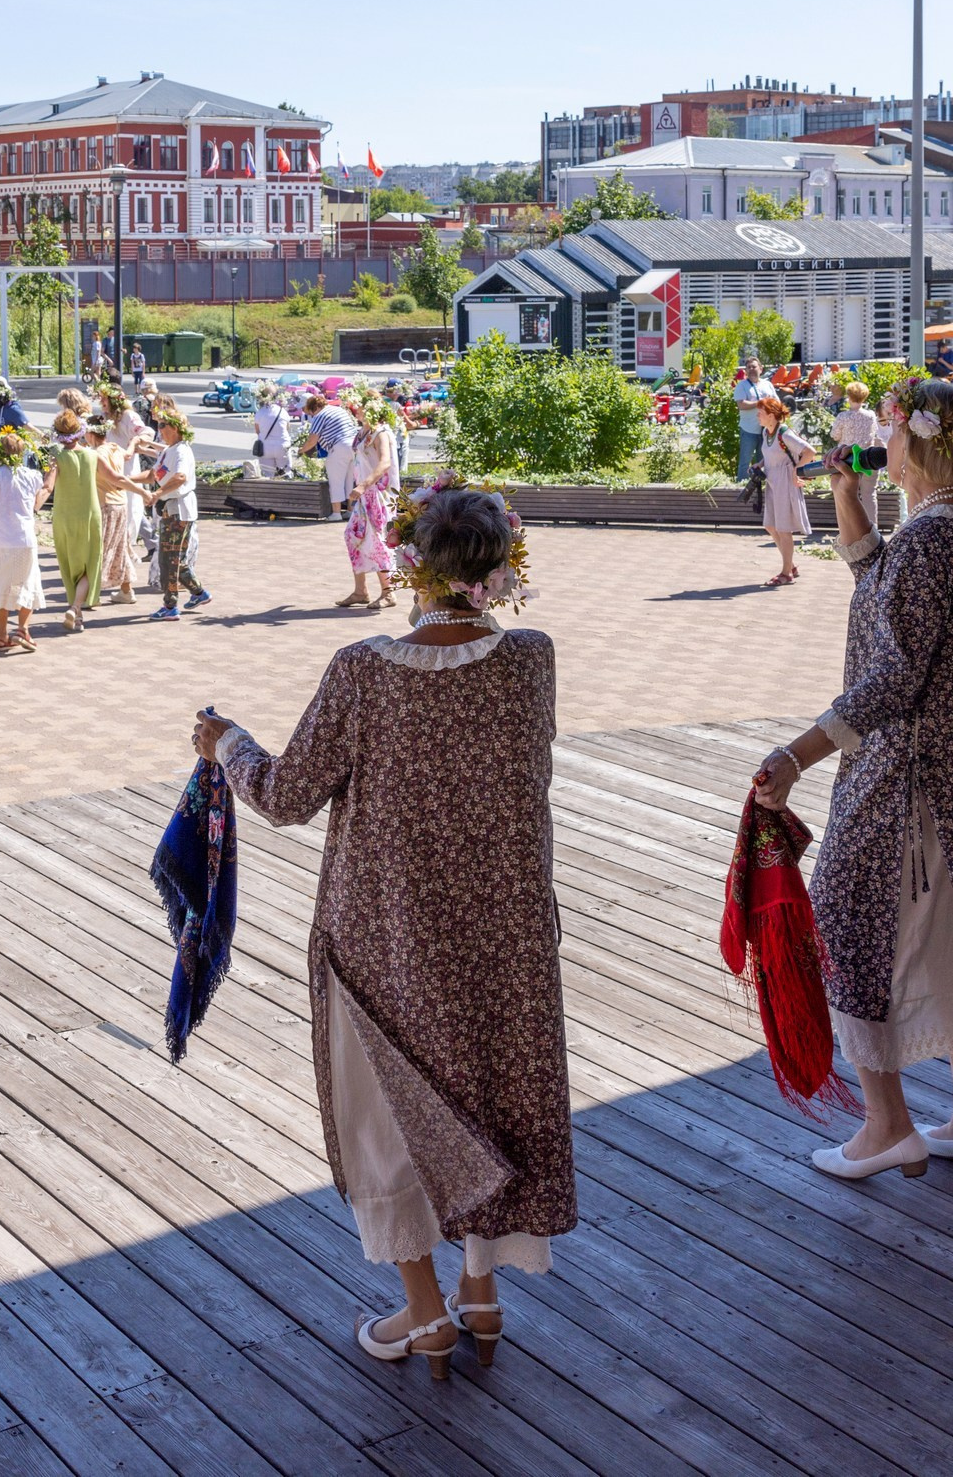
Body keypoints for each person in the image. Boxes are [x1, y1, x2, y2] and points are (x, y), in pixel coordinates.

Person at [193, 482, 570, 1380]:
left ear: (408, 562)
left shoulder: (363, 671)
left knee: (389, 1119)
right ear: (502, 565)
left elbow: (286, 796)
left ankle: (426, 1309)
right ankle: (482, 1292)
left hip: (388, 934)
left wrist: (224, 742)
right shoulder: (532, 661)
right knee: (492, 1094)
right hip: (506, 931)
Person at [752, 377, 953, 1183]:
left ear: (914, 444)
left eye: (888, 433)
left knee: (852, 924)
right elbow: (883, 588)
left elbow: (893, 675)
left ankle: (886, 1126)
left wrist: (797, 755)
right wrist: (851, 497)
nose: (878, 445)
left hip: (914, 776)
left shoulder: (932, 541)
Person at [0, 430, 46, 652]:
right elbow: (37, 502)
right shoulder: (33, 476)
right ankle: (23, 628)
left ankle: (1, 636)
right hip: (22, 538)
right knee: (28, 582)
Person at [149, 410, 211, 620]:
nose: (160, 430)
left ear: (175, 428)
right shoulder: (169, 450)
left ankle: (170, 606)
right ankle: (199, 593)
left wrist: (158, 493)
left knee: (169, 559)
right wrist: (126, 480)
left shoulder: (182, 451)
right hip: (172, 509)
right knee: (174, 557)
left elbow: (180, 477)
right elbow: (152, 474)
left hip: (178, 510)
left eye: (163, 425)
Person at [340, 394, 400, 609]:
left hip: (378, 495)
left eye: (361, 407)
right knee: (351, 536)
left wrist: (364, 485)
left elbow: (385, 463)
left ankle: (388, 592)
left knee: (377, 541)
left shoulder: (381, 433)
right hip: (365, 495)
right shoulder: (363, 432)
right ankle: (360, 591)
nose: (356, 409)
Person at [48, 410, 106, 631]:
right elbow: (116, 478)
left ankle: (76, 611)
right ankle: (76, 608)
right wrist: (144, 491)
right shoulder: (92, 455)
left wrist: (33, 505)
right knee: (91, 565)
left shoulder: (56, 455)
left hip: (64, 516)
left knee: (68, 564)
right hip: (90, 515)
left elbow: (47, 486)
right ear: (80, 431)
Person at [754, 393, 816, 588]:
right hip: (772, 481)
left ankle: (785, 573)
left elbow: (809, 452)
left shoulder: (784, 433)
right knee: (771, 526)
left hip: (785, 482)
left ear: (771, 415)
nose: (758, 416)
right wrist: (760, 464)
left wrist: (796, 470)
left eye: (760, 413)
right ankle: (791, 565)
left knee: (783, 529)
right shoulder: (767, 433)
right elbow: (771, 454)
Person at [92, 416, 151, 604]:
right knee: (120, 546)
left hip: (105, 505)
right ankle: (126, 591)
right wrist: (133, 444)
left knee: (101, 548)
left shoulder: (96, 454)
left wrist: (141, 491)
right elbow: (127, 455)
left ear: (90, 433)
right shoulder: (115, 448)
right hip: (121, 503)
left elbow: (116, 477)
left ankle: (90, 593)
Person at [304, 392, 359, 516]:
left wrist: (301, 450)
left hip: (339, 446)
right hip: (354, 445)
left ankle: (336, 513)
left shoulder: (319, 416)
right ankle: (350, 510)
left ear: (314, 408)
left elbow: (312, 440)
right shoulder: (338, 410)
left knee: (336, 481)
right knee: (350, 479)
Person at [732, 362, 765, 482]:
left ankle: (763, 486)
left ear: (761, 369)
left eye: (754, 367)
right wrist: (760, 403)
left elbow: (776, 402)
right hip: (748, 430)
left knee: (765, 460)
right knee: (745, 462)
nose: (751, 369)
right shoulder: (742, 385)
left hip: (766, 430)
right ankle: (742, 486)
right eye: (748, 367)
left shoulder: (768, 385)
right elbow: (741, 404)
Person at [829, 379, 880, 452]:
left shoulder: (843, 416)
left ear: (849, 397)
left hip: (846, 455)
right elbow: (874, 433)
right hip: (865, 455)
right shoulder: (871, 415)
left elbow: (835, 436)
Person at [255, 383, 294, 477]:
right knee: (286, 474)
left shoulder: (260, 412)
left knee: (267, 475)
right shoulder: (282, 411)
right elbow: (287, 428)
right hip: (282, 445)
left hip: (265, 447)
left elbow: (257, 431)